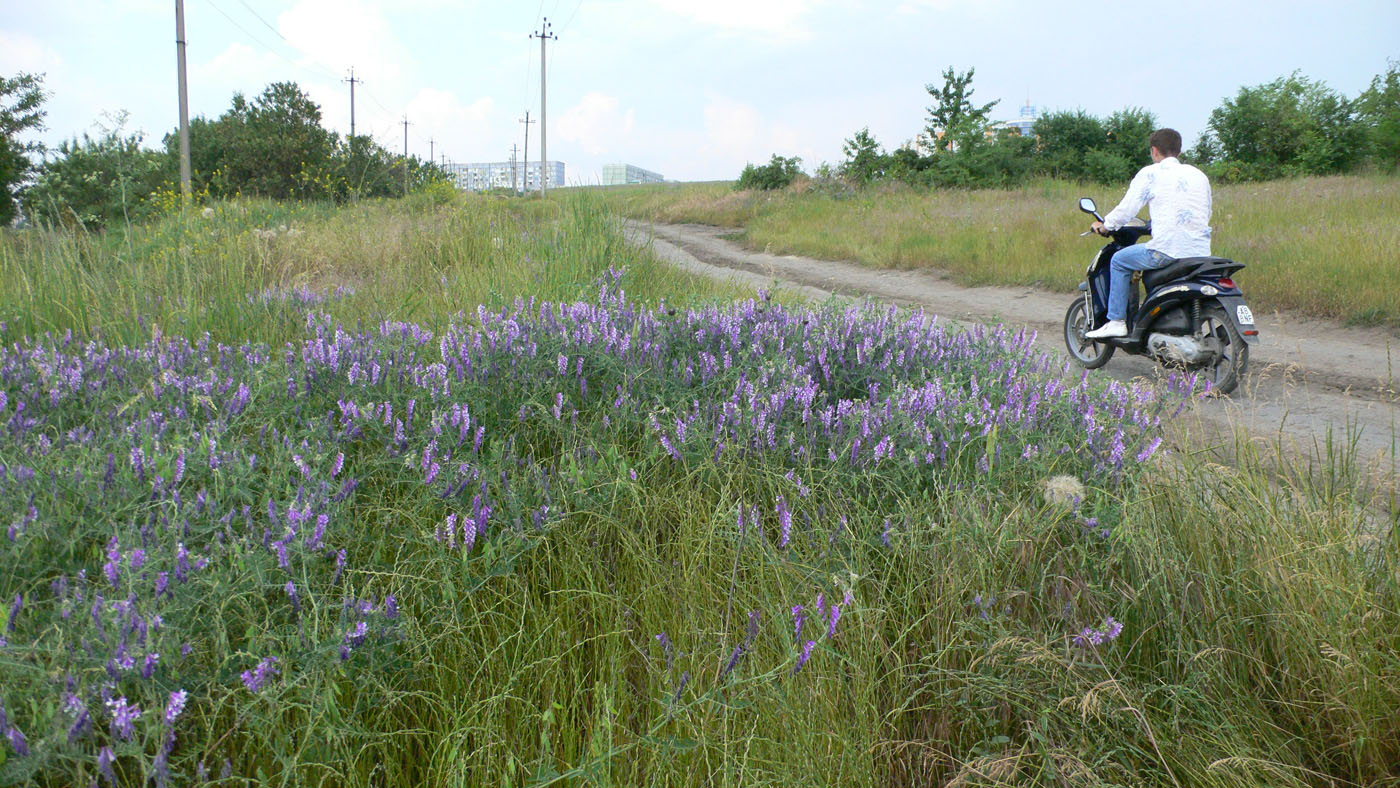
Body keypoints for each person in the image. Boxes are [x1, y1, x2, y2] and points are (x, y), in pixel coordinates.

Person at [1084, 128, 1212, 339]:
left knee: (1118, 260)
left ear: (1154, 151)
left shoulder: (1151, 173)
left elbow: (1127, 210)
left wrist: (1105, 225)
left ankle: (1116, 321)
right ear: (1179, 151)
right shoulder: (1199, 175)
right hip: (1200, 252)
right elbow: (1206, 212)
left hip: (1167, 250)